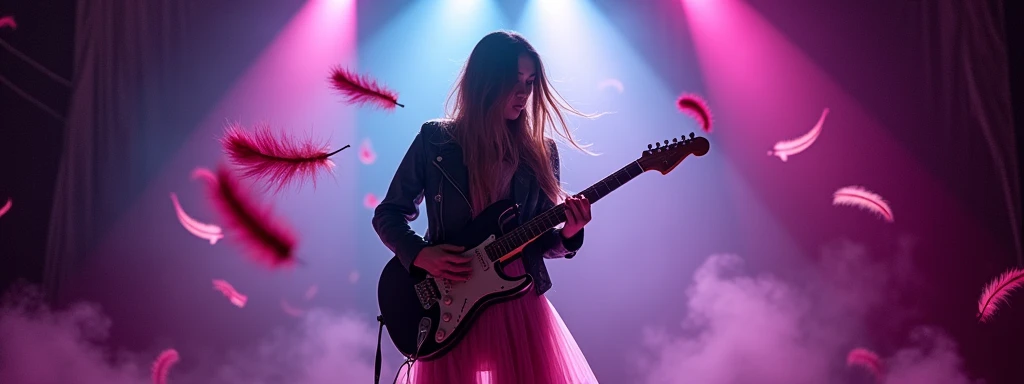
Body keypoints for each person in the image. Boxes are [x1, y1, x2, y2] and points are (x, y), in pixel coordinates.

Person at [372, 30, 599, 384]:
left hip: (518, 306)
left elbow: (539, 241)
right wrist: (419, 254)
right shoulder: (436, 140)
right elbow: (388, 213)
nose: (524, 92)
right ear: (485, 80)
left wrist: (570, 234)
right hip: (450, 304)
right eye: (514, 80)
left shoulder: (542, 152)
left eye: (530, 81)